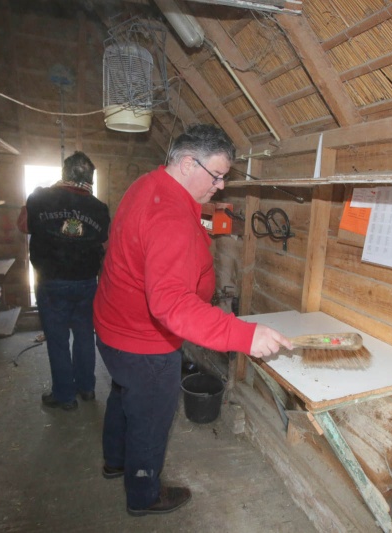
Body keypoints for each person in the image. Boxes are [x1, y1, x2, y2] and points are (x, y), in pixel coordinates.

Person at [93, 124, 293, 516]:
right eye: (217, 175)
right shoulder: (171, 219)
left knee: (123, 396)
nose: (220, 186)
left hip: (113, 326)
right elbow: (171, 306)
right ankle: (144, 496)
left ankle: (115, 461)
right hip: (144, 343)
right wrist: (244, 335)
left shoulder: (148, 184)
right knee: (150, 419)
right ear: (187, 162)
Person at [17, 151, 110, 411]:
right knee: (84, 336)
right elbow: (105, 243)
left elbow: (23, 226)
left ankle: (65, 396)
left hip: (51, 281)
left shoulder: (39, 197)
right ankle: (87, 388)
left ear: (65, 173)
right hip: (85, 282)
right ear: (90, 177)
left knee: (57, 339)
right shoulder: (99, 208)